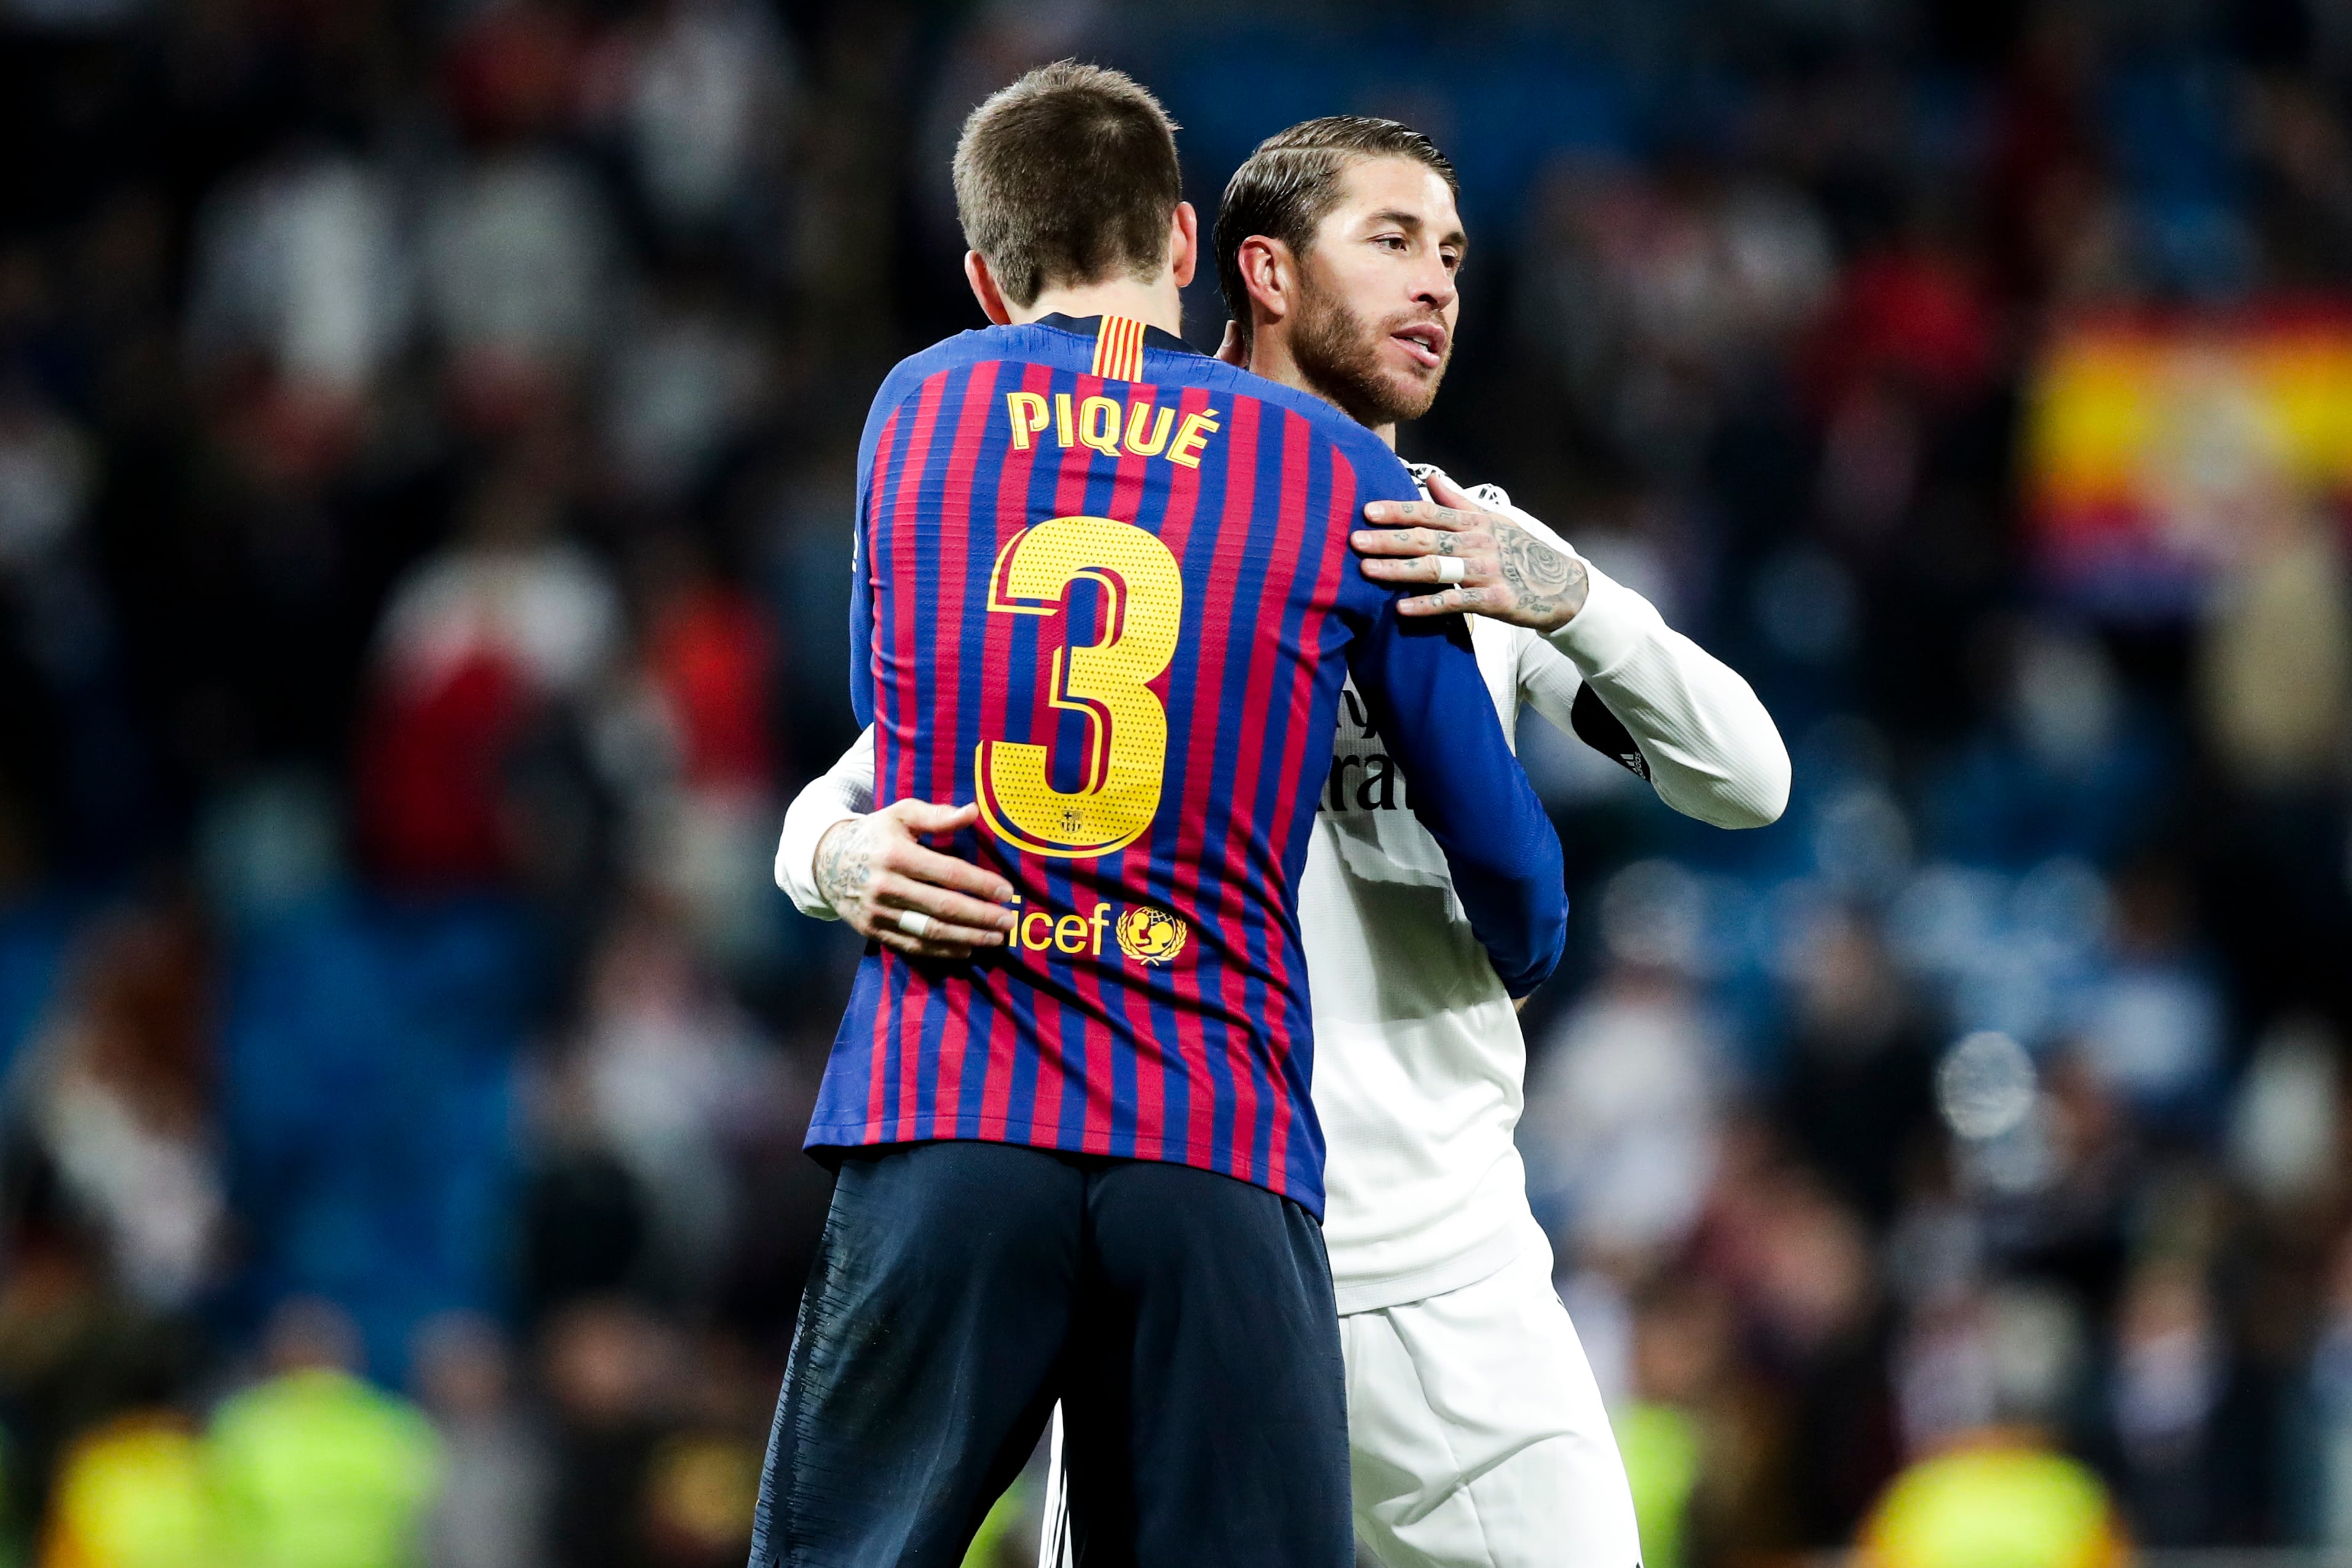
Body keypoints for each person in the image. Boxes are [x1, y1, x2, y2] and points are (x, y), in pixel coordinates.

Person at [778, 117, 1788, 1568]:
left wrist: (1569, 597)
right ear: (1248, 265)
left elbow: (1749, 777)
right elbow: (870, 775)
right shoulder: (1133, 513)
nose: (1436, 284)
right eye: (1390, 241)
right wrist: (838, 859)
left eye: (1451, 252)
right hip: (1193, 1222)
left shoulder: (1470, 545)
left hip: (1438, 1266)